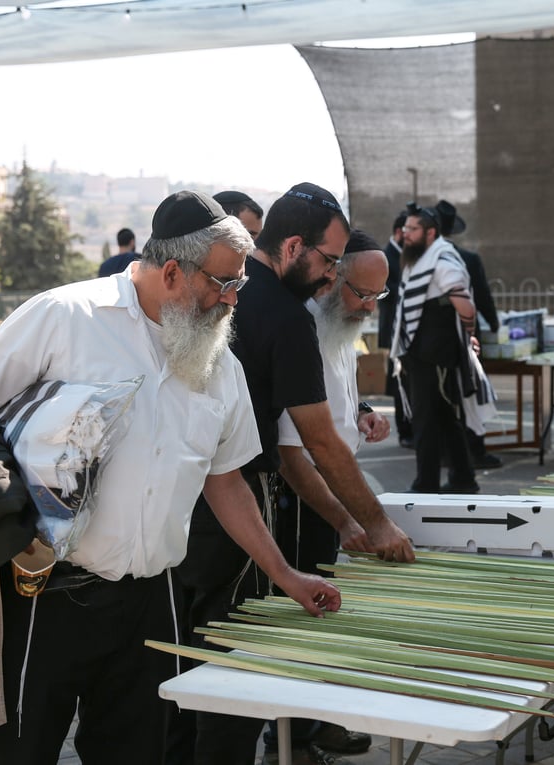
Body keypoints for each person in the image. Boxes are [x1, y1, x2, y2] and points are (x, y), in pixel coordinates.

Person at [0, 190, 341, 765]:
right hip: (45, 595)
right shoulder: (64, 317)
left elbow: (225, 480)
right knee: (18, 755)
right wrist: (0, 505)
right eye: (223, 285)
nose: (232, 302)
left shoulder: (220, 366)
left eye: (239, 286)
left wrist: (285, 574)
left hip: (150, 603)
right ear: (173, 272)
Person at [174, 182, 414, 765]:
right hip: (236, 509)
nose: (330, 277)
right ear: (293, 247)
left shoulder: (227, 293)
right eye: (329, 262)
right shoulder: (285, 317)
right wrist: (376, 524)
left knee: (182, 669)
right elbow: (319, 444)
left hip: (181, 506)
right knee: (236, 672)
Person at [261, 231, 391, 763]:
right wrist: (348, 519)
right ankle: (286, 741)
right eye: (362, 293)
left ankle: (319, 722)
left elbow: (339, 397)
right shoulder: (302, 329)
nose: (368, 306)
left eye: (379, 298)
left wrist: (362, 415)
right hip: (307, 504)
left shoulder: (342, 325)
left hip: (333, 494)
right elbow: (296, 454)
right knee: (305, 617)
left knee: (329, 616)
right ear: (333, 277)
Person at [392, 204, 488, 494]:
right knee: (445, 419)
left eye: (413, 229)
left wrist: (468, 334)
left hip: (433, 355)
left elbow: (464, 302)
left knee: (427, 422)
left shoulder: (442, 259)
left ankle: (427, 483)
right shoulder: (425, 257)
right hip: (425, 353)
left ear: (430, 232)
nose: (406, 234)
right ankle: (463, 478)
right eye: (405, 228)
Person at [434, 199, 502, 470]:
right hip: (467, 335)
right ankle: (475, 450)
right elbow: (483, 298)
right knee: (471, 394)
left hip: (438, 341)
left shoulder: (427, 258)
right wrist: (494, 325)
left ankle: (447, 453)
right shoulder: (469, 259)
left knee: (444, 398)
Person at [377, 211, 412, 448]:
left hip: (410, 331)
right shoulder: (385, 257)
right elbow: (385, 293)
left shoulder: (407, 255)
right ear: (399, 232)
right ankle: (405, 431)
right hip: (394, 330)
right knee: (401, 383)